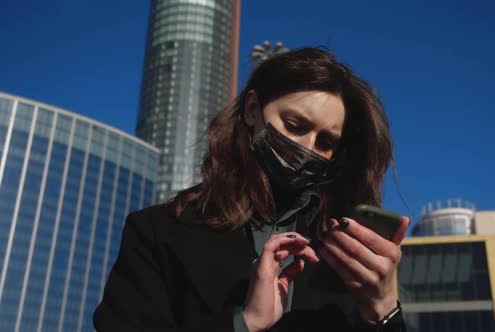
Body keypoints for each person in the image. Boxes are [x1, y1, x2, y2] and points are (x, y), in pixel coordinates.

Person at [94, 47, 409, 331]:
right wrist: (244, 324)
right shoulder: (157, 233)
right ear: (252, 110)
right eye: (295, 125)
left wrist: (382, 310)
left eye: (325, 143)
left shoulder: (343, 254)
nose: (308, 148)